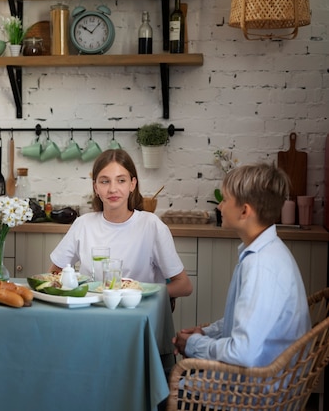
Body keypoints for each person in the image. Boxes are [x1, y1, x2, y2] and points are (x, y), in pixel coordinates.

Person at [172, 163, 310, 367]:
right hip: (260, 380)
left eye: (225, 200)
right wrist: (205, 333)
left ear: (244, 211)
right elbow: (246, 325)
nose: (219, 206)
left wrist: (194, 344)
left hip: (255, 390)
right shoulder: (267, 251)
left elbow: (242, 352)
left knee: (157, 391)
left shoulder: (261, 266)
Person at [49, 149, 193, 299]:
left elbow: (184, 286)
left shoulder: (151, 226)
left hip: (137, 313)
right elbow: (54, 274)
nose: (112, 189)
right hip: (91, 312)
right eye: (105, 181)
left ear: (132, 184)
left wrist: (138, 294)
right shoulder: (83, 224)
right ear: (95, 187)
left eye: (121, 180)